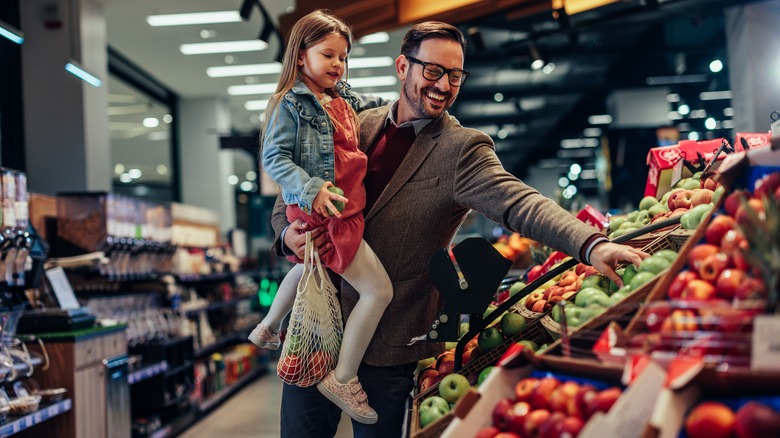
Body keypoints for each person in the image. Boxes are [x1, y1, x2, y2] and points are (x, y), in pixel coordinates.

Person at [271, 21, 649, 438]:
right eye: (432, 71)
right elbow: (288, 196)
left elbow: (518, 202)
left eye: (455, 75)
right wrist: (286, 236)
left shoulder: (461, 149)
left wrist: (591, 244)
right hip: (314, 329)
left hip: (390, 343)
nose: (444, 85)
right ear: (403, 67)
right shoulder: (350, 121)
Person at [248, 9, 392, 425]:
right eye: (328, 54)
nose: (337, 64)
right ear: (300, 57)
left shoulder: (341, 98)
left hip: (334, 212)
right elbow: (273, 158)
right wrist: (312, 190)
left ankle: (270, 325)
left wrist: (408, 101)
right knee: (378, 291)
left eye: (343, 57)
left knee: (310, 265)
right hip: (328, 211)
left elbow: (377, 106)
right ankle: (343, 378)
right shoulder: (289, 102)